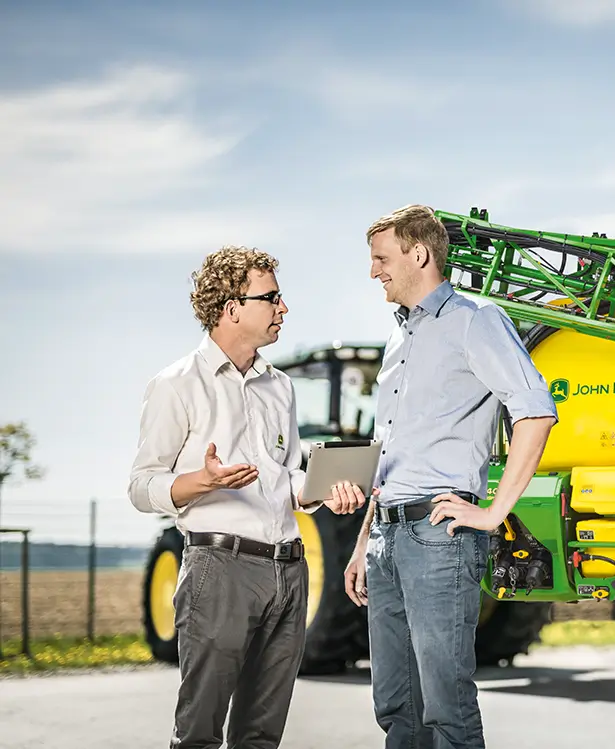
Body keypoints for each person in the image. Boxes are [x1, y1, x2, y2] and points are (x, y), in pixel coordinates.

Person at [128, 246, 365, 749]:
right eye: (271, 297)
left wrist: (324, 492)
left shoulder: (279, 387)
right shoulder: (175, 385)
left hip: (290, 572)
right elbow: (141, 486)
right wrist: (204, 480)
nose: (284, 308)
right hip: (220, 570)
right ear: (231, 307)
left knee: (260, 736)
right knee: (199, 734)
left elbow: (287, 478)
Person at [338, 204, 557, 747]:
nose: (373, 271)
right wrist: (364, 543)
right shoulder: (399, 339)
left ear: (419, 254)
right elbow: (390, 455)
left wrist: (494, 513)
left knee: (445, 708)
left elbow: (535, 411)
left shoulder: (475, 320)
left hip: (438, 537)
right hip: (386, 537)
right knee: (395, 705)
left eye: (381, 258)